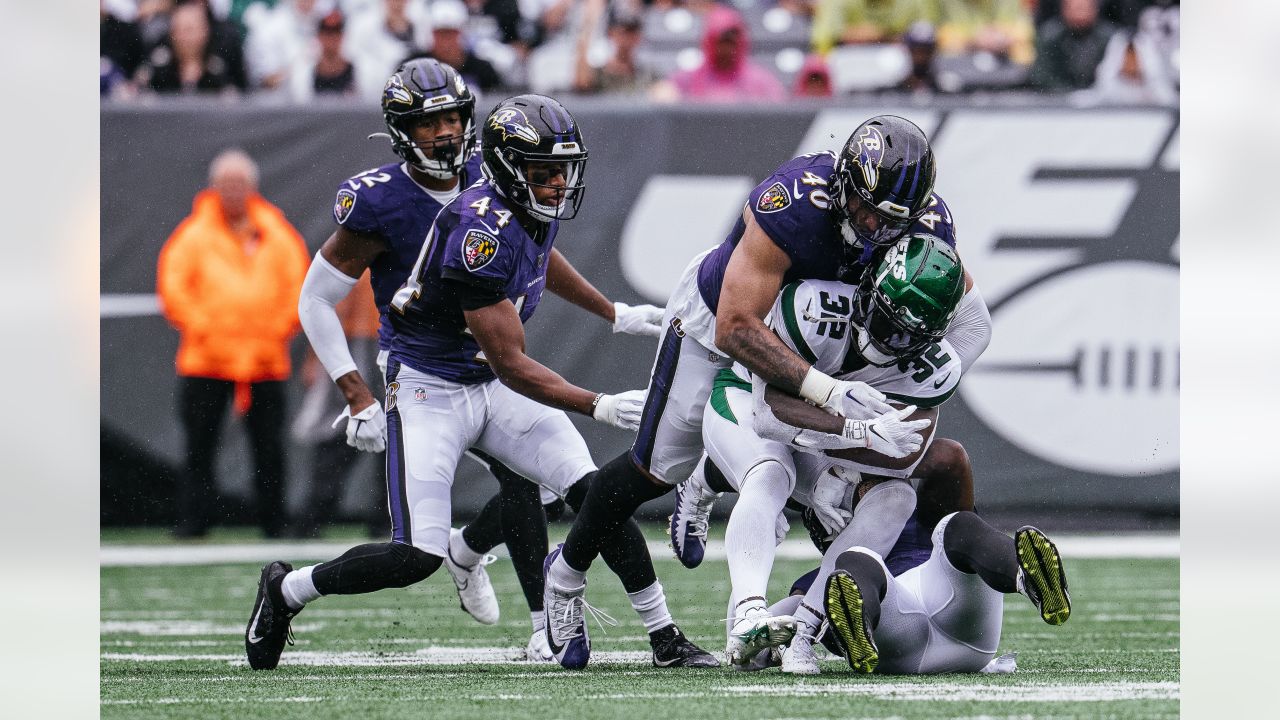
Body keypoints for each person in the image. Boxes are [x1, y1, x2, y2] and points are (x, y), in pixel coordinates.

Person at [246, 91, 718, 672]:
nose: (558, 187)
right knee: (414, 556)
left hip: (484, 379)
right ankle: (288, 590)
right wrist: (596, 405)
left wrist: (612, 312)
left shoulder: (522, 201)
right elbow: (511, 364)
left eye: (563, 173)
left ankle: (664, 634)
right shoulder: (478, 233)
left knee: (596, 493)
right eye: (545, 175)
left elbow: (543, 258)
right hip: (429, 385)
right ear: (512, 171)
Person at [544, 115, 990, 669]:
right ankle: (564, 576)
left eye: (893, 219)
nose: (876, 227)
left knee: (789, 461)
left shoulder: (925, 228)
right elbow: (737, 325)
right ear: (846, 183)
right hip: (718, 329)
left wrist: (923, 381)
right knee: (654, 468)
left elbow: (969, 321)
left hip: (816, 339)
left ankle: (722, 489)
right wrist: (828, 391)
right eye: (868, 208)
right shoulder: (797, 202)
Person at [688, 234, 970, 671]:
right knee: (768, 473)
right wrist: (856, 431)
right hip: (749, 400)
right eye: (886, 319)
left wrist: (841, 466)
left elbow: (906, 452)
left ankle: (805, 628)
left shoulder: (936, 365)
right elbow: (770, 414)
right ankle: (747, 612)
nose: (891, 339)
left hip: (822, 437)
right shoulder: (814, 307)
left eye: (907, 335)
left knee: (898, 496)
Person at [156, 149, 310, 539]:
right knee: (199, 445)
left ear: (253, 188)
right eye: (226, 184)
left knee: (270, 448)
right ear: (214, 188)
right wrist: (208, 327)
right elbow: (173, 288)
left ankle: (274, 520)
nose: (234, 192)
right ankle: (194, 520)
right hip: (208, 357)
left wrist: (274, 328)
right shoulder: (193, 235)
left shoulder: (277, 233)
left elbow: (299, 287)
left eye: (240, 184)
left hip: (264, 357)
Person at [663, 5, 786, 103]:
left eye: (732, 41)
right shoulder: (684, 80)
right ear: (709, 40)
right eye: (722, 41)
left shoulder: (762, 82)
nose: (727, 48)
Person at [1028, 0, 1119, 91]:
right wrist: (1070, 94)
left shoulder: (1111, 38)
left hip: (1103, 100)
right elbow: (1044, 77)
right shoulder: (1049, 37)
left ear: (1095, 9)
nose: (1080, 13)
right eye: (1076, 8)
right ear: (1064, 9)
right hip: (1057, 99)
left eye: (1083, 8)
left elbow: (1117, 76)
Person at [810, 0, 937, 56]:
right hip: (849, 70)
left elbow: (929, 36)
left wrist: (882, 36)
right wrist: (858, 35)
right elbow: (822, 44)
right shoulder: (837, 2)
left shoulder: (916, 2)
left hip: (907, 74)